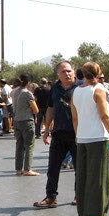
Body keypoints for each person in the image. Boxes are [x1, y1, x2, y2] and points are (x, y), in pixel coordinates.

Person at [71, 62, 109, 216]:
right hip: (98, 138)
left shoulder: (76, 91)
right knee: (98, 176)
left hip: (83, 137)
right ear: (98, 73)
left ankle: (85, 210)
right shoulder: (99, 91)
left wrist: (78, 135)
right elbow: (105, 116)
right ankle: (97, 212)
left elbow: (75, 118)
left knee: (83, 175)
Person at [35, 61, 78, 208]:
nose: (66, 74)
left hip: (77, 134)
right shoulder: (55, 88)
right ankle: (51, 197)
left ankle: (79, 195)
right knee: (53, 167)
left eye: (69, 71)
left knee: (80, 167)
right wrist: (46, 130)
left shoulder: (80, 88)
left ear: (74, 71)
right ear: (58, 75)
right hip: (58, 133)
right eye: (63, 72)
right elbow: (50, 109)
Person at [12, 73, 39, 176]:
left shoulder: (15, 92)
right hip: (27, 120)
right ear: (28, 82)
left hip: (17, 120)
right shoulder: (27, 93)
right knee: (29, 145)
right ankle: (27, 169)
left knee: (19, 145)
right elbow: (36, 110)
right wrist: (30, 109)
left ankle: (18, 169)